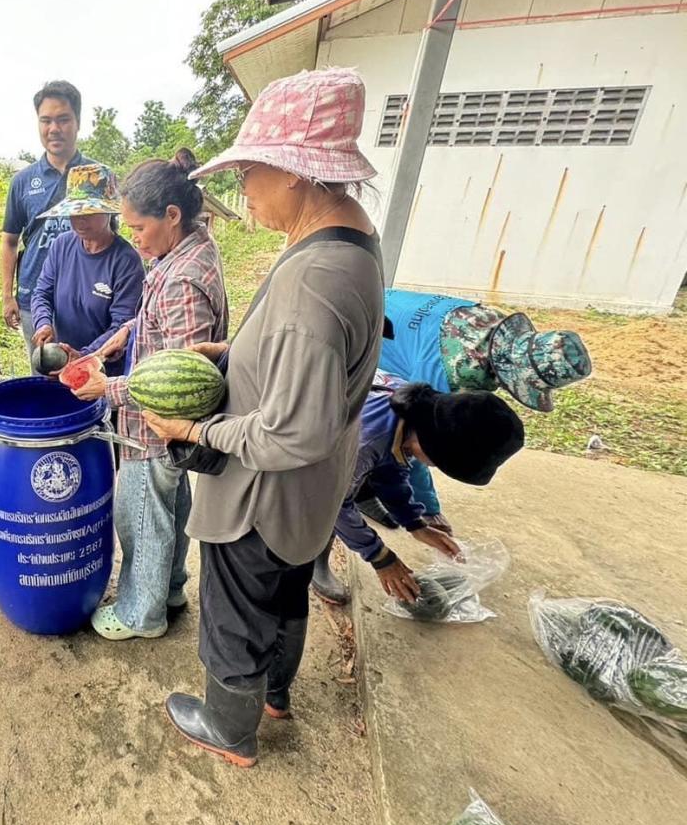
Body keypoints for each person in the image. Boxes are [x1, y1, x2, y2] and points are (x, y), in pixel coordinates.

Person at [141, 68, 386, 768]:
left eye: (251, 173)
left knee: (236, 608)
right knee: (284, 597)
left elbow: (292, 430)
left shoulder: (314, 283)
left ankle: (229, 726)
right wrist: (233, 349)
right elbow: (300, 360)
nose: (243, 191)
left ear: (299, 173)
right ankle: (274, 694)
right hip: (308, 497)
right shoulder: (346, 241)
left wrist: (194, 431)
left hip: (262, 495)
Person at [70, 149, 229, 641]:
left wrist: (108, 388)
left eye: (138, 228)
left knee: (140, 516)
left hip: (155, 426)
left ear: (172, 216)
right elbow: (157, 319)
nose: (134, 239)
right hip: (161, 431)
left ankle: (142, 613)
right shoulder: (187, 251)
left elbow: (184, 382)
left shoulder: (181, 278)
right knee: (170, 503)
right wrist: (123, 336)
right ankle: (171, 588)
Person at [352, 288, 591, 535]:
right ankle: (358, 490)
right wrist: (427, 509)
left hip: (369, 303)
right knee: (378, 440)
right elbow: (420, 445)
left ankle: (362, 487)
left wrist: (411, 515)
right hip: (353, 334)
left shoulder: (490, 322)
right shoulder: (450, 369)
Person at [333, 374, 523, 614]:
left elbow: (391, 471)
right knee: (309, 525)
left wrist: (415, 524)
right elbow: (332, 504)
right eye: (439, 463)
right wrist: (380, 557)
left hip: (335, 453)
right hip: (293, 454)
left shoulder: (415, 411)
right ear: (428, 445)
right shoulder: (364, 443)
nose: (434, 467)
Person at [0, 80, 93, 359]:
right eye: (46, 120)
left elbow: (110, 239)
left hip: (85, 301)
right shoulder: (23, 181)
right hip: (32, 299)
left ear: (78, 122)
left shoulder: (96, 176)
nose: (54, 128)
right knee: (43, 371)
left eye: (63, 119)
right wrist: (7, 295)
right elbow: (10, 241)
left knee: (84, 371)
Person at [30, 163, 145, 377]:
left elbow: (122, 325)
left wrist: (85, 355)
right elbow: (42, 293)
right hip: (61, 362)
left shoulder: (126, 261)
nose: (80, 219)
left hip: (103, 371)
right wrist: (43, 324)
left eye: (90, 212)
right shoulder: (61, 245)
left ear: (109, 212)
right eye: (75, 212)